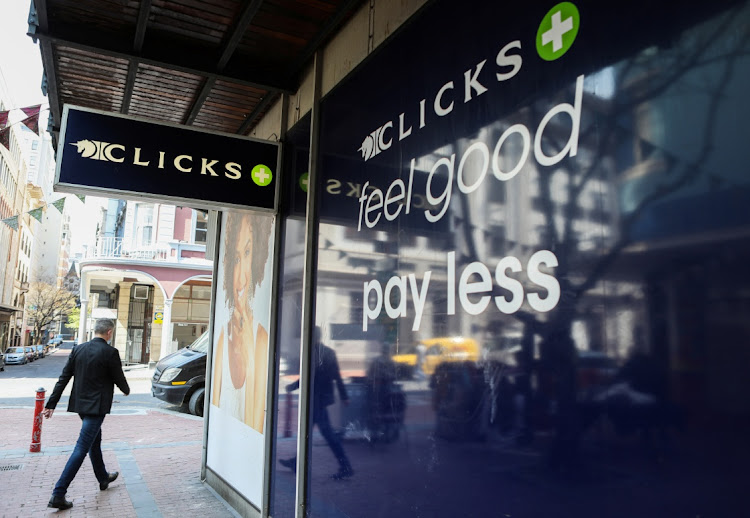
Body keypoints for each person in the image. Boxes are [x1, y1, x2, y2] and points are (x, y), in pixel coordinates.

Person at [44, 318, 130, 510]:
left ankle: (103, 477)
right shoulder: (110, 352)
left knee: (94, 441)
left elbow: (64, 378)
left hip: (80, 406)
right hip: (97, 407)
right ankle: (58, 493)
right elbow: (119, 378)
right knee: (82, 447)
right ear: (109, 332)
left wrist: (51, 404)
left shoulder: (78, 349)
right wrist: (126, 389)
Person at [279, 327, 354, 480]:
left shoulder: (312, 353)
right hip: (322, 399)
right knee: (312, 433)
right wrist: (344, 396)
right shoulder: (329, 352)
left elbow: (308, 376)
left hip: (315, 399)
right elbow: (337, 377)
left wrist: (292, 387)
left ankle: (345, 466)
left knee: (327, 434)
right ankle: (296, 463)